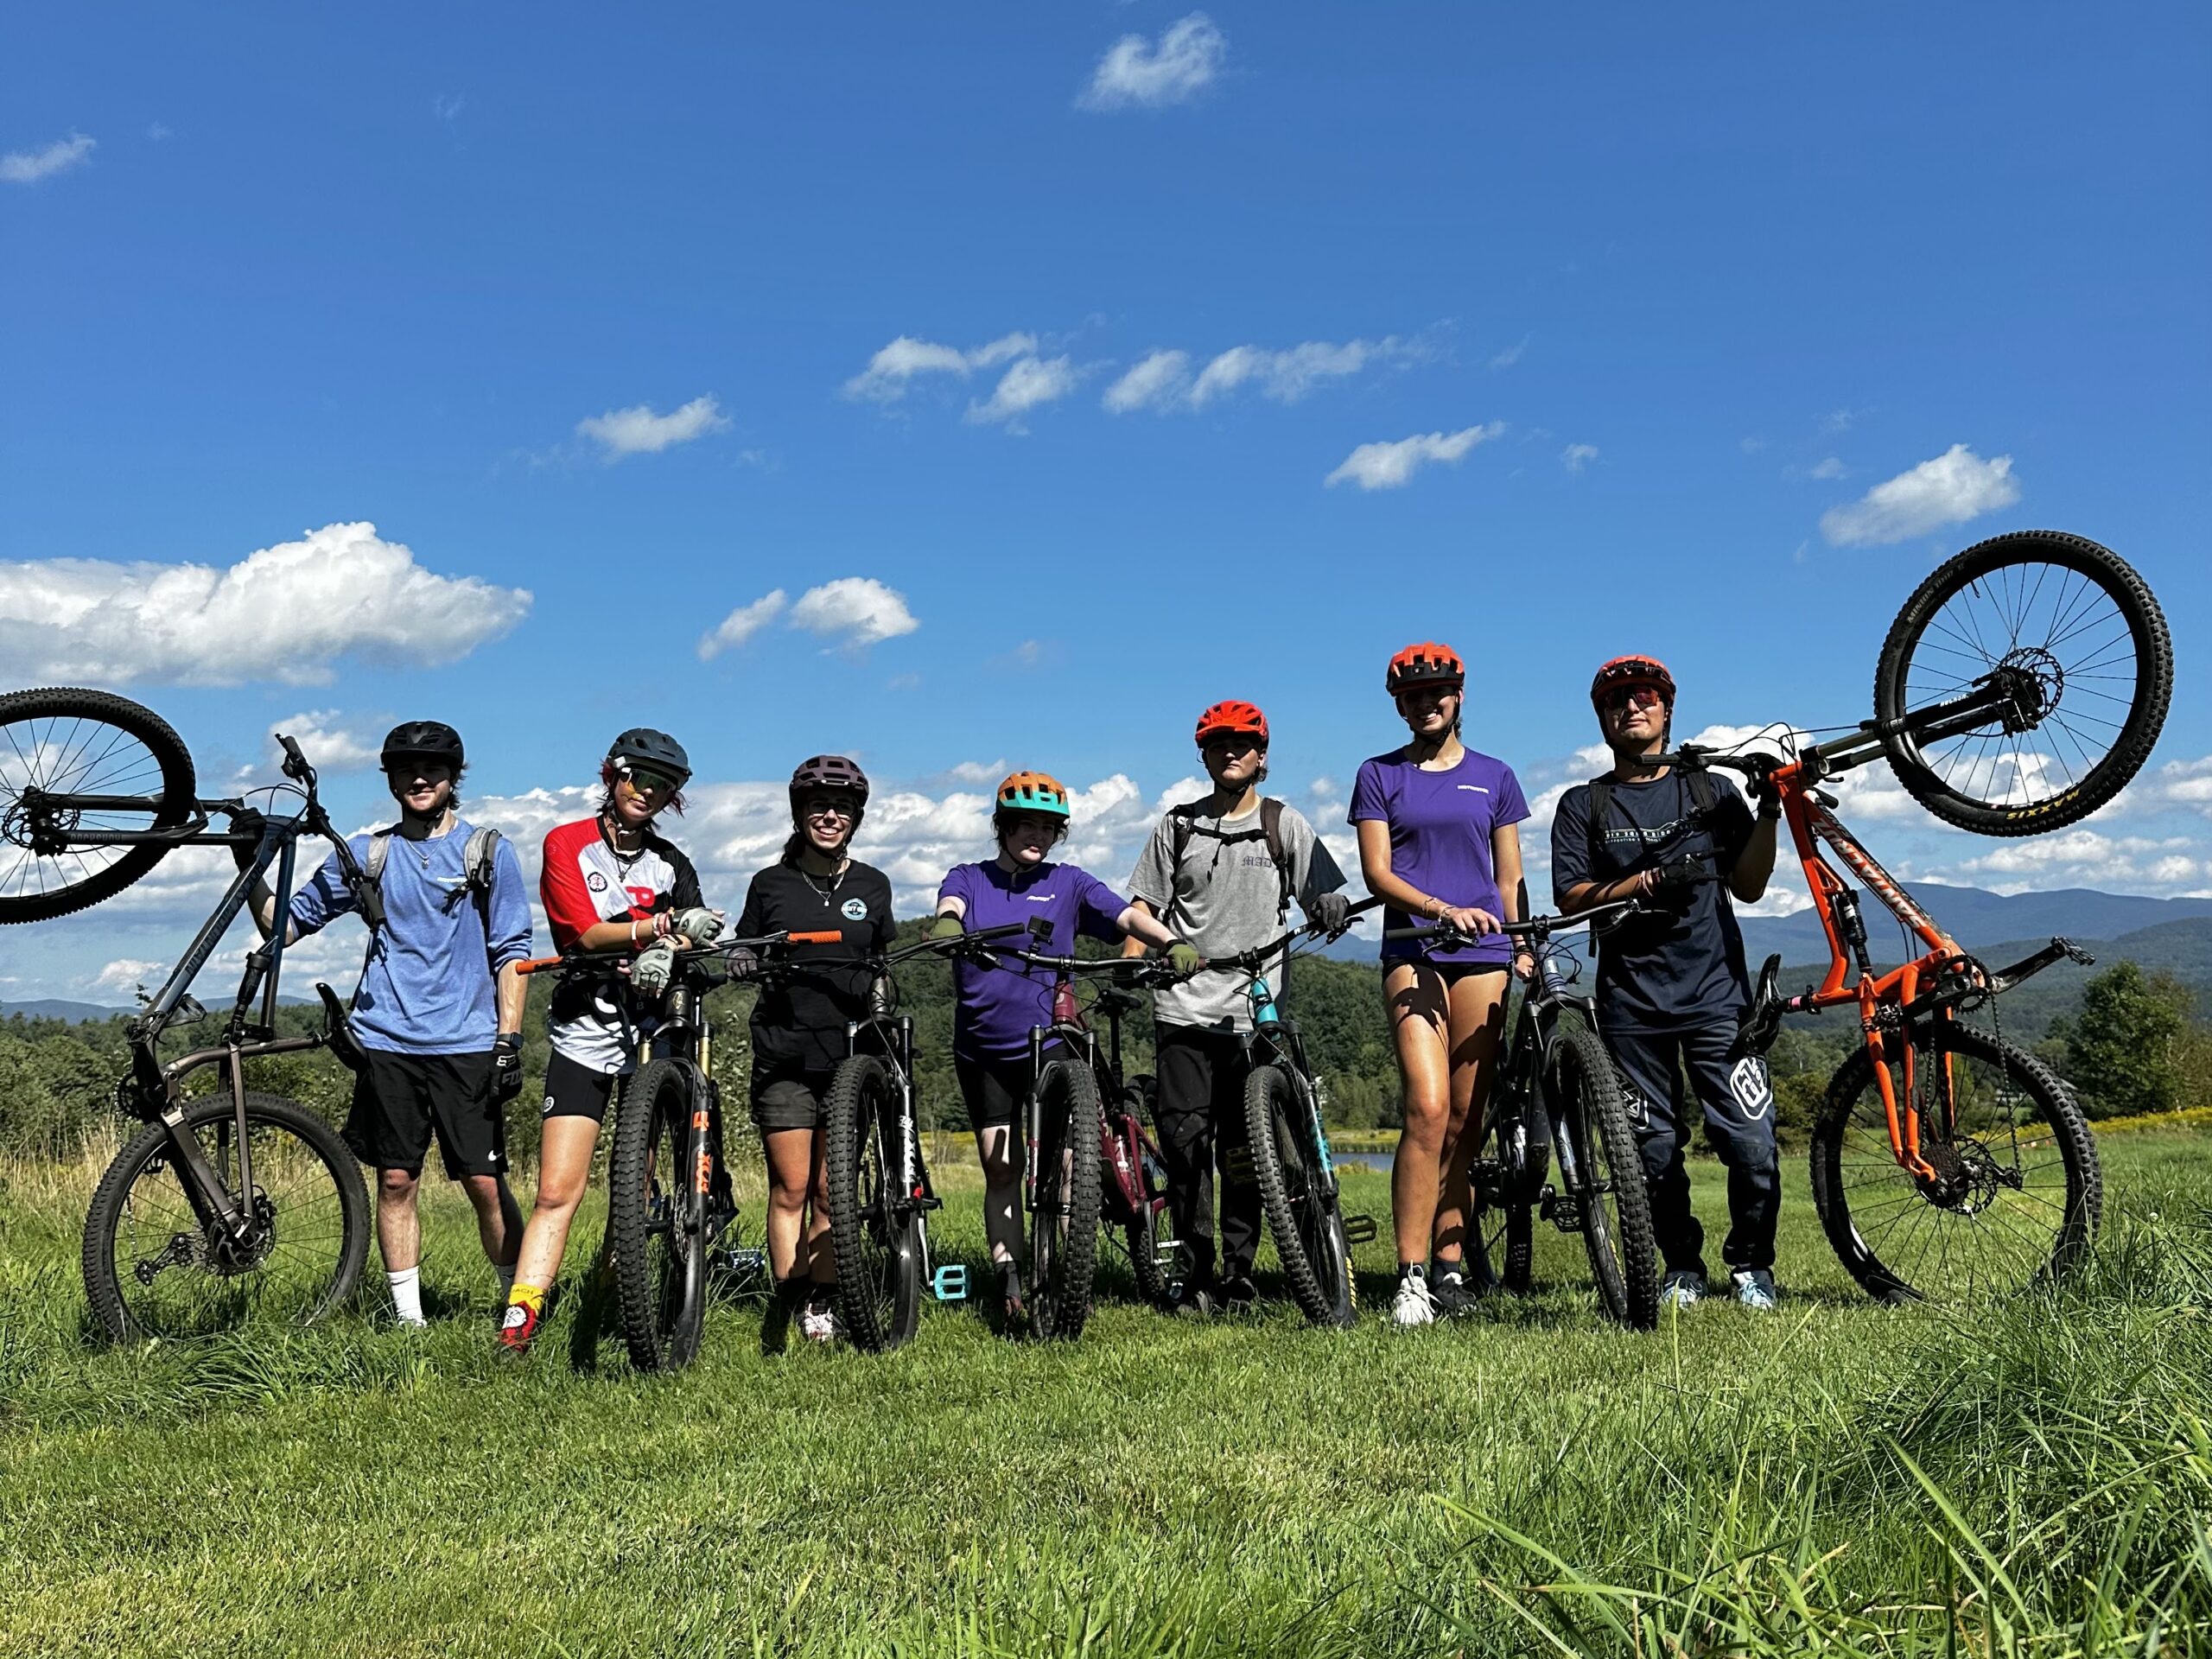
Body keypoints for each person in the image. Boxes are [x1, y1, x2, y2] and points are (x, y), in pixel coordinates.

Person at [241, 720, 534, 1328]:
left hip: (467, 1041)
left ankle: (518, 1307)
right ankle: (409, 1323)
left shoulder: (487, 851)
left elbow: (512, 951)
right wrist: (250, 862)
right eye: (405, 771)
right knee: (397, 1180)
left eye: (431, 770)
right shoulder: (368, 855)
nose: (419, 779)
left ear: (453, 778)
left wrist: (509, 1039)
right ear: (392, 780)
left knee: (483, 1181)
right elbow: (283, 925)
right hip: (387, 1041)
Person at [1552, 655, 1783, 1311]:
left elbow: (1749, 886)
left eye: (1645, 696)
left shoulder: (1712, 792)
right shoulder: (1583, 804)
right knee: (1651, 1151)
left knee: (1751, 1142)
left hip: (1718, 998)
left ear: (1667, 709)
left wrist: (1768, 812)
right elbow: (1571, 896)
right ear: (1602, 718)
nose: (1632, 706)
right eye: (1617, 699)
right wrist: (1646, 882)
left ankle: (1751, 1267)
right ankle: (1681, 1266)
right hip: (1631, 1005)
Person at [929, 770, 1199, 1327]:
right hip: (983, 1048)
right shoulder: (968, 877)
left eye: (1049, 828)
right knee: (1001, 1168)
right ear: (1003, 827)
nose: (1038, 836)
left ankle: (1068, 1272)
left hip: (1052, 1041)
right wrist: (948, 925)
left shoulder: (1069, 882)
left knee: (1070, 1161)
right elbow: (950, 904)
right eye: (1026, 825)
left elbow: (1126, 915)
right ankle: (1009, 1281)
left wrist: (1171, 941)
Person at [498, 728, 724, 1356]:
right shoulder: (567, 842)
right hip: (585, 1028)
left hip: (653, 1031)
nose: (648, 793)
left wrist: (677, 942)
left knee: (635, 1187)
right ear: (613, 775)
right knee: (556, 1189)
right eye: (638, 778)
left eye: (664, 787)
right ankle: (519, 1323)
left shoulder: (671, 862)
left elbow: (696, 928)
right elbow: (582, 933)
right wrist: (660, 928)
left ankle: (615, 1297)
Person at [1122, 700, 1350, 1314]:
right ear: (1204, 755)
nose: (1230, 751)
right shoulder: (1178, 826)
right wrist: (1132, 964)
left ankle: (1239, 1274)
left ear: (1261, 755)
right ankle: (1195, 1273)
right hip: (1183, 1007)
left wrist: (1328, 903)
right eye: (1218, 743)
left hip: (1255, 1009)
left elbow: (1322, 890)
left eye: (1242, 743)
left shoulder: (1282, 823)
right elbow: (1143, 909)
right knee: (1186, 1144)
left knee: (1246, 1151)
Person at [1351, 644, 1536, 1329]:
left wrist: (1522, 945)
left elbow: (1509, 877)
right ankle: (1410, 1276)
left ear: (1459, 697)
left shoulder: (1496, 776)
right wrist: (1440, 909)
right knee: (1427, 1109)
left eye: (1439, 692)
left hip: (1485, 952)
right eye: (1414, 696)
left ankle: (1450, 1266)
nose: (1427, 703)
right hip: (1415, 948)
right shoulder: (1379, 774)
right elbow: (1378, 874)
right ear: (1400, 706)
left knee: (1466, 1118)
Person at [732, 755, 894, 1344]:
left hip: (850, 1055)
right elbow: (746, 943)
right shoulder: (769, 883)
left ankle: (821, 1305)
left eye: (842, 808)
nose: (830, 816)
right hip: (786, 1052)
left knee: (832, 1191)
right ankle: (789, 1296)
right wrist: (744, 956)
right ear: (799, 814)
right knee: (791, 1188)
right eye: (819, 806)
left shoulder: (873, 884)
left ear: (855, 818)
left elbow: (882, 959)